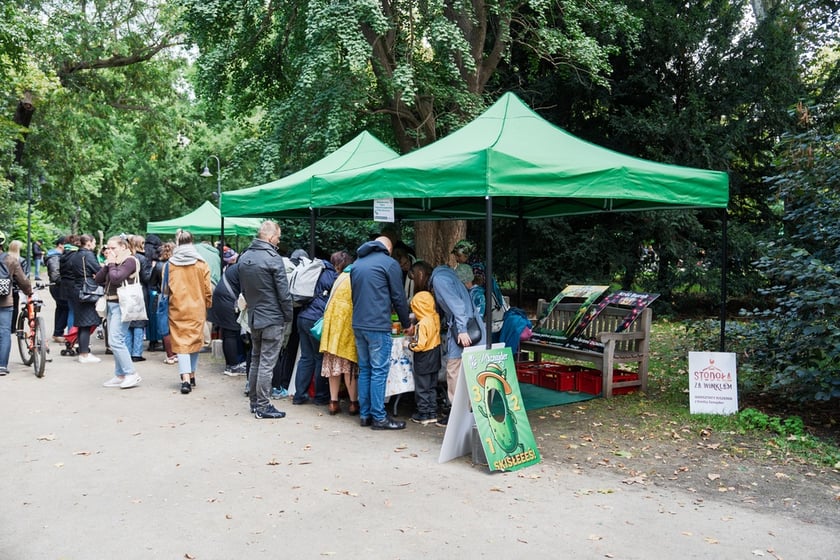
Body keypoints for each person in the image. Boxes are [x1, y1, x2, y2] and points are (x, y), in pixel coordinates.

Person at [350, 236, 413, 430]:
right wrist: (406, 323)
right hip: (377, 324)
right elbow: (398, 297)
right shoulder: (389, 264)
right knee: (378, 370)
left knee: (365, 369)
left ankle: (365, 415)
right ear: (389, 249)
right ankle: (379, 417)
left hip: (358, 324)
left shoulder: (357, 264)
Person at [412, 260, 485, 426]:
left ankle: (456, 413)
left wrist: (462, 330)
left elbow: (457, 305)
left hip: (463, 327)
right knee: (465, 370)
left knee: (454, 370)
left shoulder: (439, 280)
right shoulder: (446, 274)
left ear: (421, 275)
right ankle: (465, 411)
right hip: (468, 323)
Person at [239, 221, 292, 419]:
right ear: (270, 237)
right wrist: (288, 316)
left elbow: (243, 290)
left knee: (256, 359)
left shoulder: (245, 257)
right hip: (272, 317)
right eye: (278, 238)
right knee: (267, 363)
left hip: (254, 316)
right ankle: (263, 406)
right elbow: (284, 294)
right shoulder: (273, 258)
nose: (278, 241)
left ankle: (255, 403)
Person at [167, 230, 213, 394]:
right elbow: (208, 289)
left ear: (177, 243)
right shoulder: (201, 263)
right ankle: (191, 375)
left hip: (177, 308)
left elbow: (165, 289)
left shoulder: (170, 264)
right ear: (192, 242)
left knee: (181, 344)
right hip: (197, 308)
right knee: (194, 342)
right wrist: (207, 304)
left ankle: (185, 378)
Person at [94, 236, 141, 388]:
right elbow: (98, 279)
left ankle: (131, 373)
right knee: (115, 340)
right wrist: (108, 265)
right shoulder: (113, 262)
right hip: (111, 304)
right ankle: (120, 375)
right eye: (108, 248)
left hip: (122, 305)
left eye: (113, 248)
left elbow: (116, 278)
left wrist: (111, 263)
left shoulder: (130, 261)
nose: (110, 251)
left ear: (123, 247)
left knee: (116, 341)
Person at [292, 256, 337, 407]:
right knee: (319, 358)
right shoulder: (331, 274)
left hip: (303, 316)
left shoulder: (314, 270)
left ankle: (299, 395)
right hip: (316, 320)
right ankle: (320, 397)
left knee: (306, 357)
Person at [320, 251, 358, 415]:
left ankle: (333, 402)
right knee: (349, 367)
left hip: (332, 330)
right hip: (346, 328)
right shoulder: (353, 277)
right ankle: (353, 403)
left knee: (333, 367)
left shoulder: (339, 279)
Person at [407, 289, 441, 425]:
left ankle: (423, 413)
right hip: (435, 355)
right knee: (432, 386)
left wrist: (409, 345)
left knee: (422, 388)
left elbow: (420, 345)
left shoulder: (422, 324)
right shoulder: (435, 317)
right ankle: (433, 412)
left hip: (424, 358)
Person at [0, 231, 32, 375]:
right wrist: (29, 292)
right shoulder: (11, 260)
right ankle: (2, 366)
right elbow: (23, 281)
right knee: (4, 333)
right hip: (5, 302)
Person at [68, 234, 103, 364]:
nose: (95, 245)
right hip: (87, 290)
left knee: (82, 323)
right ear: (88, 242)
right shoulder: (88, 255)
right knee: (86, 324)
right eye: (94, 242)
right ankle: (84, 354)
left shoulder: (75, 255)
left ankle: (83, 352)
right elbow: (98, 270)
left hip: (77, 289)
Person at [208, 262, 247, 375]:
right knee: (231, 333)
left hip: (222, 299)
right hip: (227, 300)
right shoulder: (245, 268)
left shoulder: (237, 267)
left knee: (227, 333)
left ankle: (230, 365)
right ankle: (233, 366)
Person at [150, 242, 178, 364]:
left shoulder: (158, 266)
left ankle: (170, 355)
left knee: (164, 326)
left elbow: (152, 283)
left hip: (163, 295)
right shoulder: (178, 265)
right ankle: (177, 352)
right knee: (176, 325)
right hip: (177, 297)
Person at [126, 235, 149, 362]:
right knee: (139, 322)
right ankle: (137, 352)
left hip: (126, 291)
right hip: (139, 291)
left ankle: (128, 351)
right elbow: (146, 277)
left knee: (128, 321)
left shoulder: (126, 257)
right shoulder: (142, 258)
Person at [44, 236, 68, 342]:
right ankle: (58, 333)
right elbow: (55, 275)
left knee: (61, 308)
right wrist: (65, 281)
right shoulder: (54, 257)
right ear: (60, 245)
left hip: (57, 286)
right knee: (65, 308)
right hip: (58, 286)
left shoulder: (54, 255)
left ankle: (57, 333)